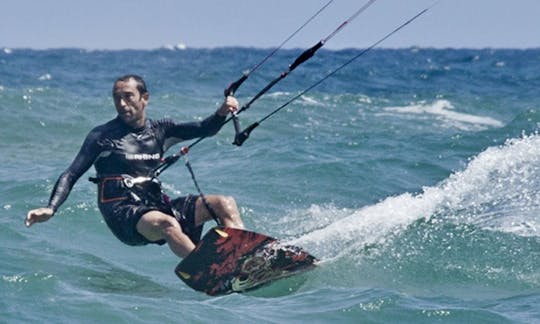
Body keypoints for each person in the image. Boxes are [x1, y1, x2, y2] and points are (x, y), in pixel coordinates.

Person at [25, 74, 244, 258]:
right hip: (122, 212)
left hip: (153, 203)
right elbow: (71, 174)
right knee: (166, 224)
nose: (121, 104)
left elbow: (204, 128)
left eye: (128, 96)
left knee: (224, 204)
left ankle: (242, 257)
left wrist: (222, 111)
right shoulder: (102, 136)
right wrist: (51, 207)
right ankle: (208, 269)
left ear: (145, 98)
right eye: (116, 98)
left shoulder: (161, 130)